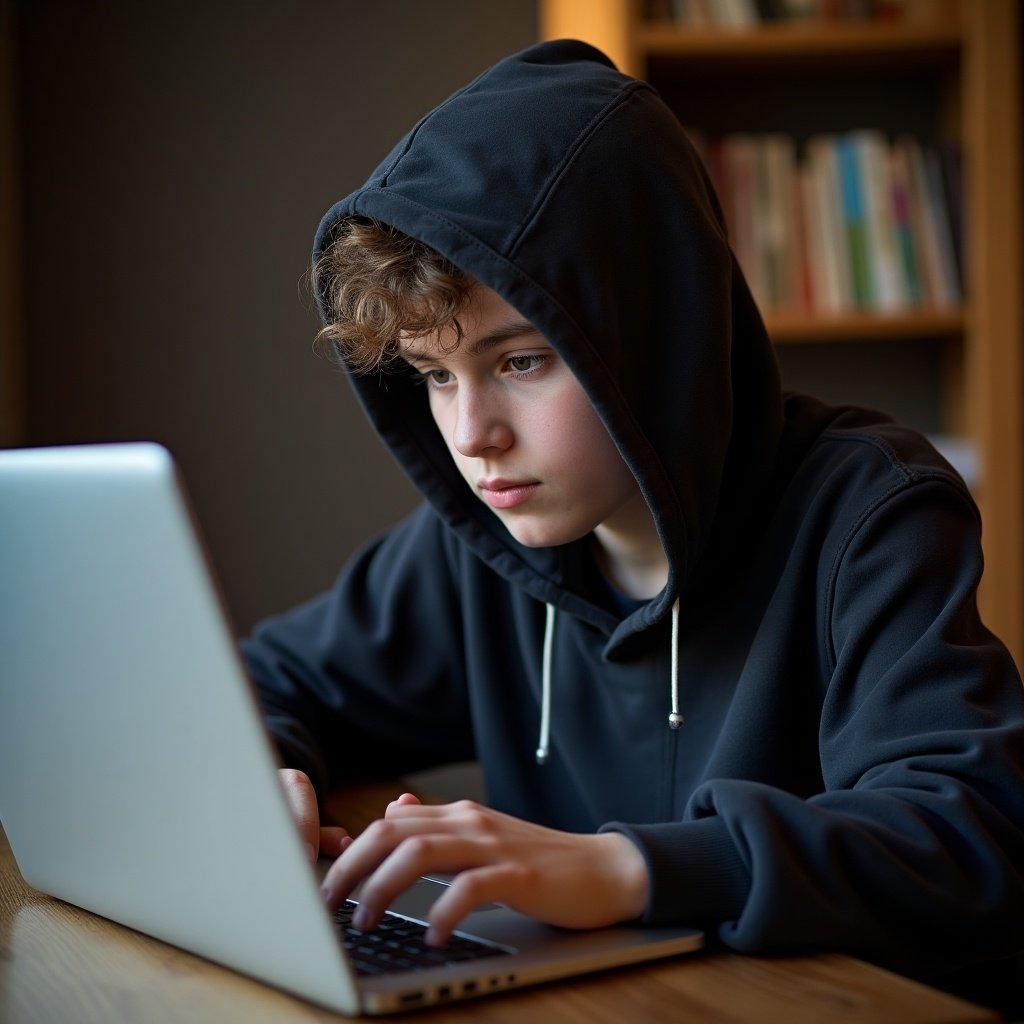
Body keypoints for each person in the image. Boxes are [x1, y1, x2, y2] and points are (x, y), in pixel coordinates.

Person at [242, 39, 1024, 1012]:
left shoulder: (869, 508)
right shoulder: (484, 542)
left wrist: (623, 869)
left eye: (520, 361)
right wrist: (268, 768)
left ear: (656, 339)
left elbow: (967, 834)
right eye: (437, 375)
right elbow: (270, 676)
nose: (471, 434)